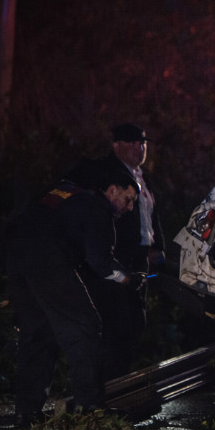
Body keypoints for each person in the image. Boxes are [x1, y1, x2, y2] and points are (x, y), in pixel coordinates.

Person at [5, 171, 143, 428]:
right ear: (112, 190)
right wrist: (128, 279)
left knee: (39, 333)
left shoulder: (63, 192)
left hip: (16, 258)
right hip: (48, 261)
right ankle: (90, 409)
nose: (130, 207)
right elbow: (100, 261)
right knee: (85, 326)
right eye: (128, 199)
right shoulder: (96, 206)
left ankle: (27, 413)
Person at [65, 123, 165, 378]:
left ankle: (116, 379)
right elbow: (73, 190)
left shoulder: (143, 179)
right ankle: (106, 381)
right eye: (133, 143)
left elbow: (151, 217)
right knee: (115, 320)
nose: (139, 149)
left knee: (135, 320)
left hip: (139, 258)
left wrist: (157, 247)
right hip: (112, 256)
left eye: (143, 143)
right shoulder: (104, 170)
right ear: (117, 145)